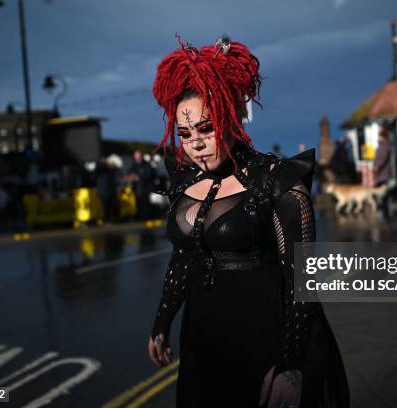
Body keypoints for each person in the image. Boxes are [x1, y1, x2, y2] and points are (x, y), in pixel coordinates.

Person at [147, 37, 349, 408]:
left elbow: (301, 283)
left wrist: (291, 366)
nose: (196, 144)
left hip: (264, 340)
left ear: (232, 116)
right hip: (204, 342)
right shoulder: (185, 180)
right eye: (186, 133)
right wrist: (162, 322)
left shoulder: (277, 181)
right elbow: (183, 258)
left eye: (206, 128)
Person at [128, 150, 156, 220]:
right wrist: (131, 176)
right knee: (138, 203)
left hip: (146, 188)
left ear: (141, 157)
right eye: (136, 157)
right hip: (137, 188)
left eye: (139, 157)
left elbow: (151, 175)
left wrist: (140, 177)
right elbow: (129, 172)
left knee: (146, 203)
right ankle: (140, 217)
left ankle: (147, 217)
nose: (137, 159)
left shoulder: (147, 164)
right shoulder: (133, 165)